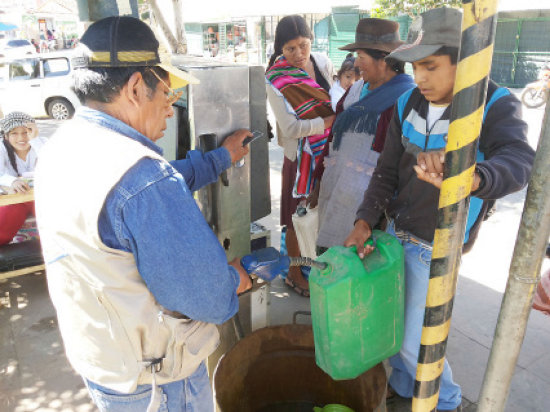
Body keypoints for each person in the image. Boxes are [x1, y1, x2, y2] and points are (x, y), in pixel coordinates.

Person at [34, 16, 252, 412]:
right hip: (160, 383)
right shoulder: (143, 178)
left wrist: (221, 158)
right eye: (166, 94)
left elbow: (137, 197)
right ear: (136, 87)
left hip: (104, 365)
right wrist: (238, 276)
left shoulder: (62, 146)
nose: (170, 110)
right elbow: (209, 299)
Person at [344, 8, 535, 412]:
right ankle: (400, 387)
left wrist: (473, 176)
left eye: (431, 66)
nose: (422, 78)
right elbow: (385, 172)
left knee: (417, 341)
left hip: (439, 244)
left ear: (464, 61)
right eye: (416, 66)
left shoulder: (494, 103)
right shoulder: (408, 101)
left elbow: (521, 161)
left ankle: (445, 402)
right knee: (390, 326)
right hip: (395, 234)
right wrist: (364, 221)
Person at [313, 18, 415, 250]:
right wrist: (318, 181)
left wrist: (377, 216)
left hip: (367, 209)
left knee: (354, 270)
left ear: (385, 61)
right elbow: (333, 140)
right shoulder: (355, 91)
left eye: (362, 57)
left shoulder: (405, 99)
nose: (356, 63)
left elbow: (397, 166)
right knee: (329, 259)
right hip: (336, 192)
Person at [265, 15, 336, 296]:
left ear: (311, 42)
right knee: (296, 218)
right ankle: (294, 275)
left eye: (303, 45)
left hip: (327, 153)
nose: (298, 54)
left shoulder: (321, 63)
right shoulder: (276, 78)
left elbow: (329, 99)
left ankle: (316, 269)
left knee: (322, 214)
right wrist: (327, 123)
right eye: (290, 48)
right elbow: (291, 128)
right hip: (300, 159)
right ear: (280, 49)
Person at [0, 111, 46, 245]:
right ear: (6, 136)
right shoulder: (1, 148)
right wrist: (12, 181)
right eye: (14, 133)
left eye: (26, 132)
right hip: (16, 200)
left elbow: (54, 166)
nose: (21, 137)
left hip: (41, 197)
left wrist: (35, 140)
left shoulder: (42, 143)